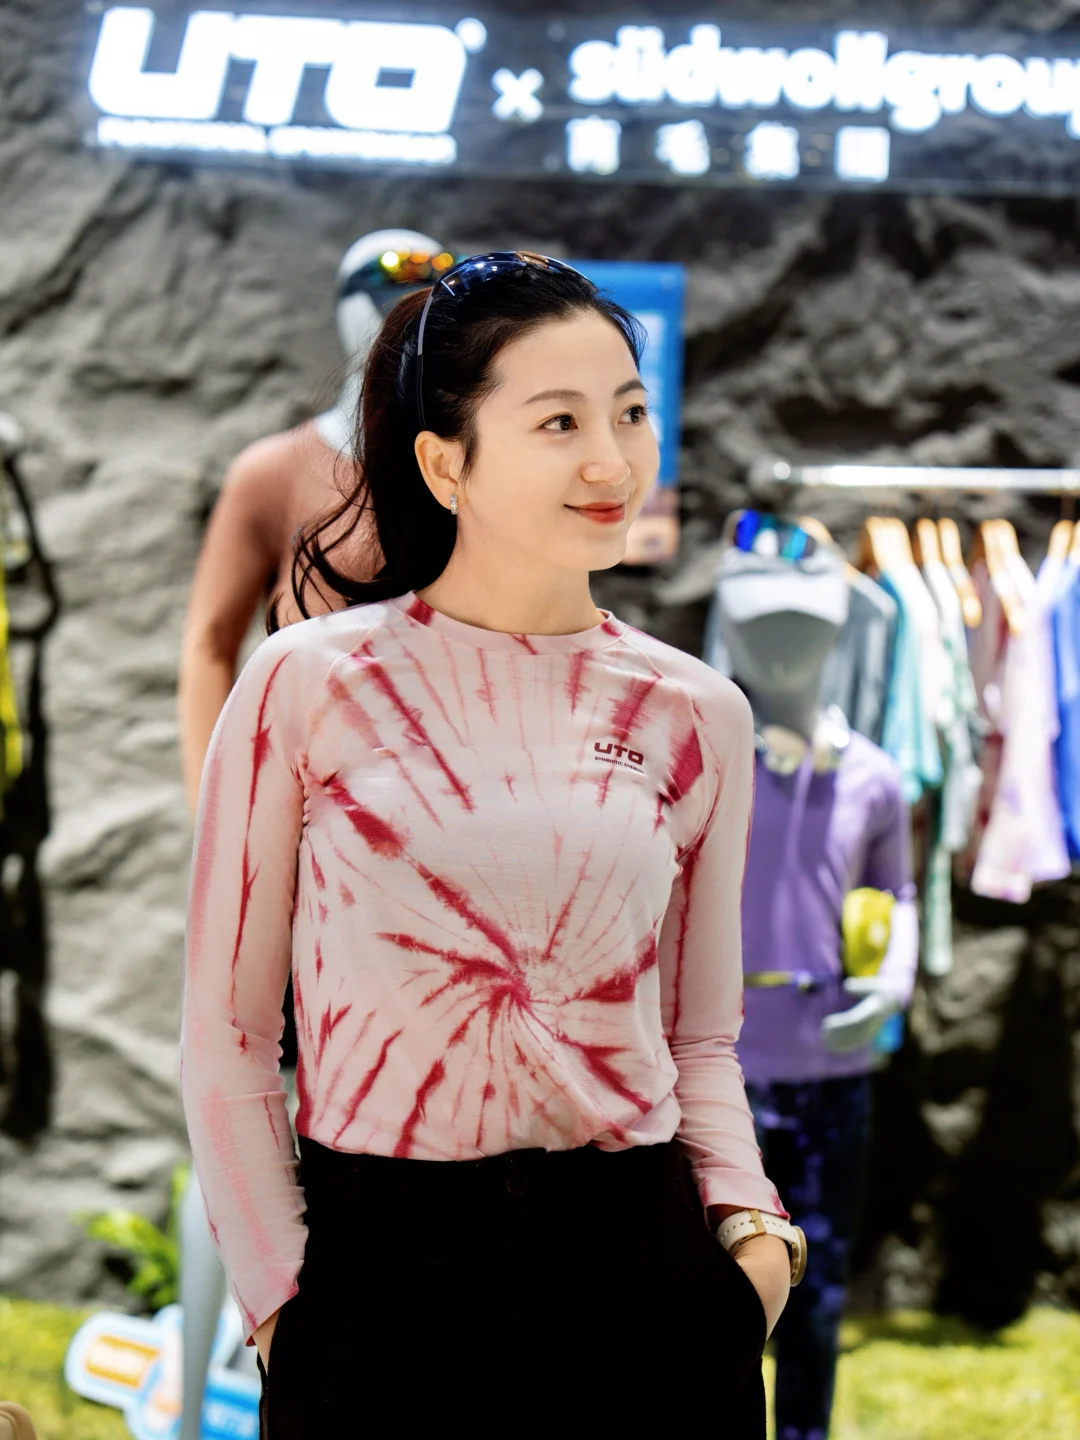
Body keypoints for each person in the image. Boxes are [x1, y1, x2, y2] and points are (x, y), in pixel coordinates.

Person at [181, 252, 802, 1437]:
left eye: (630, 412)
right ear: (444, 463)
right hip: (379, 1292)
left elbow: (700, 1037)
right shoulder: (307, 684)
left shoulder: (697, 712)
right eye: (560, 421)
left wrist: (753, 1246)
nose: (611, 460)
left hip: (650, 1290)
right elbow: (228, 1037)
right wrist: (282, 1313)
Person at [175, 229, 450, 1438]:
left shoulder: (455, 476)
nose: (394, 317)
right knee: (242, 1100)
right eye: (379, 293)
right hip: (294, 851)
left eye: (424, 294)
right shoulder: (276, 473)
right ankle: (201, 1386)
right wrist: (221, 817)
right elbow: (208, 643)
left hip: (433, 865)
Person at [709, 517, 918, 1440]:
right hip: (723, 1080)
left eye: (802, 629)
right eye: (763, 629)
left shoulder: (873, 778)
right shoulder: (707, 766)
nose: (781, 650)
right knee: (719, 1287)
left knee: (819, 1284)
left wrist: (893, 983)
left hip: (834, 1070)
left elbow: (898, 890)